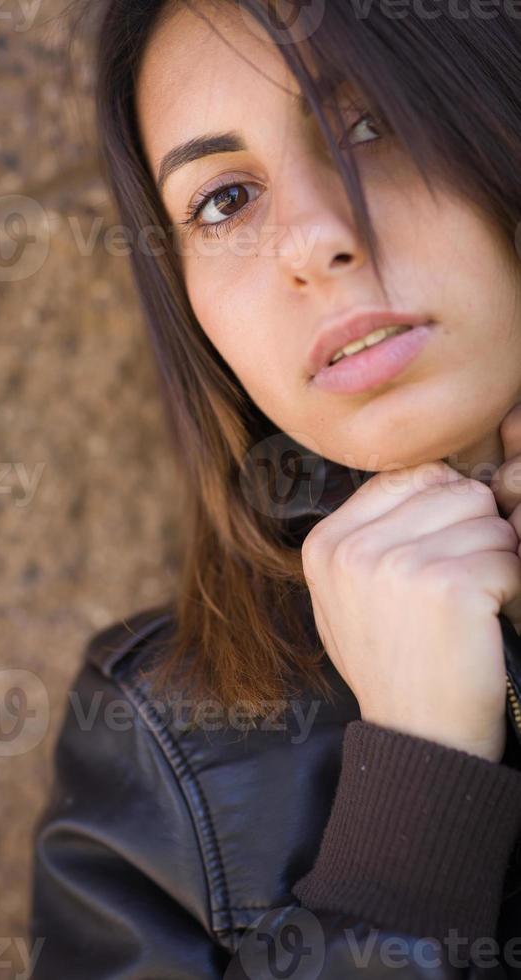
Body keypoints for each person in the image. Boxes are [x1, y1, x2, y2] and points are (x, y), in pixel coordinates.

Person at [28, 0, 521, 975]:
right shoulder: (160, 750)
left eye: (372, 124)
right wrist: (414, 802)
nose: (313, 242)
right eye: (225, 201)